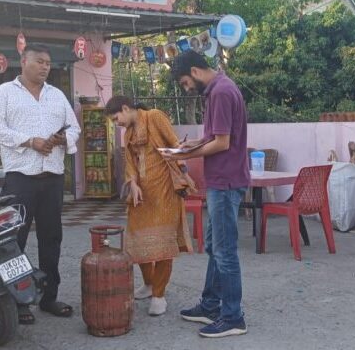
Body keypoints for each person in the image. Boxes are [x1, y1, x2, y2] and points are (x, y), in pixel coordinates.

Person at [0, 44, 80, 324]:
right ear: (23, 61)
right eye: (39, 61)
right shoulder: (4, 93)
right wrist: (29, 141)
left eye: (48, 63)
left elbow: (74, 127)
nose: (45, 67)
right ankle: (17, 302)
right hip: (20, 179)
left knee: (51, 239)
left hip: (52, 178)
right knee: (14, 241)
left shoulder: (57, 95)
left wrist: (64, 139)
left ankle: (49, 297)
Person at [162, 50, 250, 338]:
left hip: (225, 181)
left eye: (186, 83)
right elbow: (215, 136)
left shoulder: (221, 92)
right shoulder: (219, 90)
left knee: (224, 252)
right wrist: (188, 147)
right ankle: (211, 305)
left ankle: (233, 317)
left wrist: (182, 157)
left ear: (196, 72)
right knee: (214, 246)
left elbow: (223, 143)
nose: (188, 89)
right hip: (220, 180)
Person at [104, 95, 193, 316]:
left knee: (163, 243)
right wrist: (132, 183)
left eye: (116, 118)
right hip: (142, 194)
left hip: (165, 191)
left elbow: (175, 145)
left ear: (126, 108)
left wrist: (183, 172)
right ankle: (149, 283)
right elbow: (130, 163)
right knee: (138, 240)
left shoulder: (154, 117)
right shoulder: (128, 134)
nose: (117, 124)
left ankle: (159, 295)